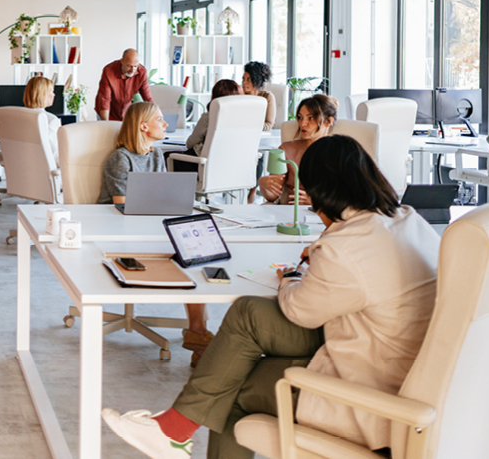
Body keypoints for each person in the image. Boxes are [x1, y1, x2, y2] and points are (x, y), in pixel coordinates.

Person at [103, 135, 440, 459]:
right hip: (401, 373)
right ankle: (173, 429)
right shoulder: (410, 221)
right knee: (247, 314)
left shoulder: (346, 248)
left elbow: (299, 311)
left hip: (369, 396)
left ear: (322, 192)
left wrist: (293, 275)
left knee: (230, 383)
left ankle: (174, 431)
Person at [98, 102, 210, 366]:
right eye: (160, 120)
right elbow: (121, 202)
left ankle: (197, 332)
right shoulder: (120, 158)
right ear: (143, 126)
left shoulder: (156, 154)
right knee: (183, 251)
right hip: (120, 227)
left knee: (195, 251)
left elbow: (160, 196)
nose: (166, 124)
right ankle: (199, 334)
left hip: (151, 222)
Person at [258, 95, 338, 204]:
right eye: (300, 117)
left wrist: (315, 202)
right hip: (290, 214)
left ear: (328, 122)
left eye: (310, 118)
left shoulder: (339, 152)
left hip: (324, 217)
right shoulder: (286, 150)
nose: (302, 124)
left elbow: (350, 198)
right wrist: (263, 184)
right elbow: (272, 196)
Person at [167, 79, 242, 173]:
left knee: (166, 156)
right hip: (232, 168)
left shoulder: (209, 118)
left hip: (205, 166)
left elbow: (190, 143)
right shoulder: (243, 120)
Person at [95, 48, 153, 122]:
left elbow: (147, 98)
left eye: (135, 66)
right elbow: (105, 100)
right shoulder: (108, 71)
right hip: (107, 114)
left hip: (125, 114)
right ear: (122, 61)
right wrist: (105, 124)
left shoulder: (142, 72)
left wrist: (156, 119)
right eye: (129, 66)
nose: (132, 70)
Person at [23, 75, 61, 168]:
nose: (54, 95)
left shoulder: (17, 116)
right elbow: (55, 155)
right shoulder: (51, 120)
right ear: (43, 94)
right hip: (45, 173)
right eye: (51, 91)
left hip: (22, 170)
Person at [241, 61, 276, 131]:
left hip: (262, 135)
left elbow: (269, 124)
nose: (244, 82)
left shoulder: (267, 97)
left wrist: (251, 127)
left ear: (257, 81)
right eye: (243, 79)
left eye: (249, 79)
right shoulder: (239, 96)